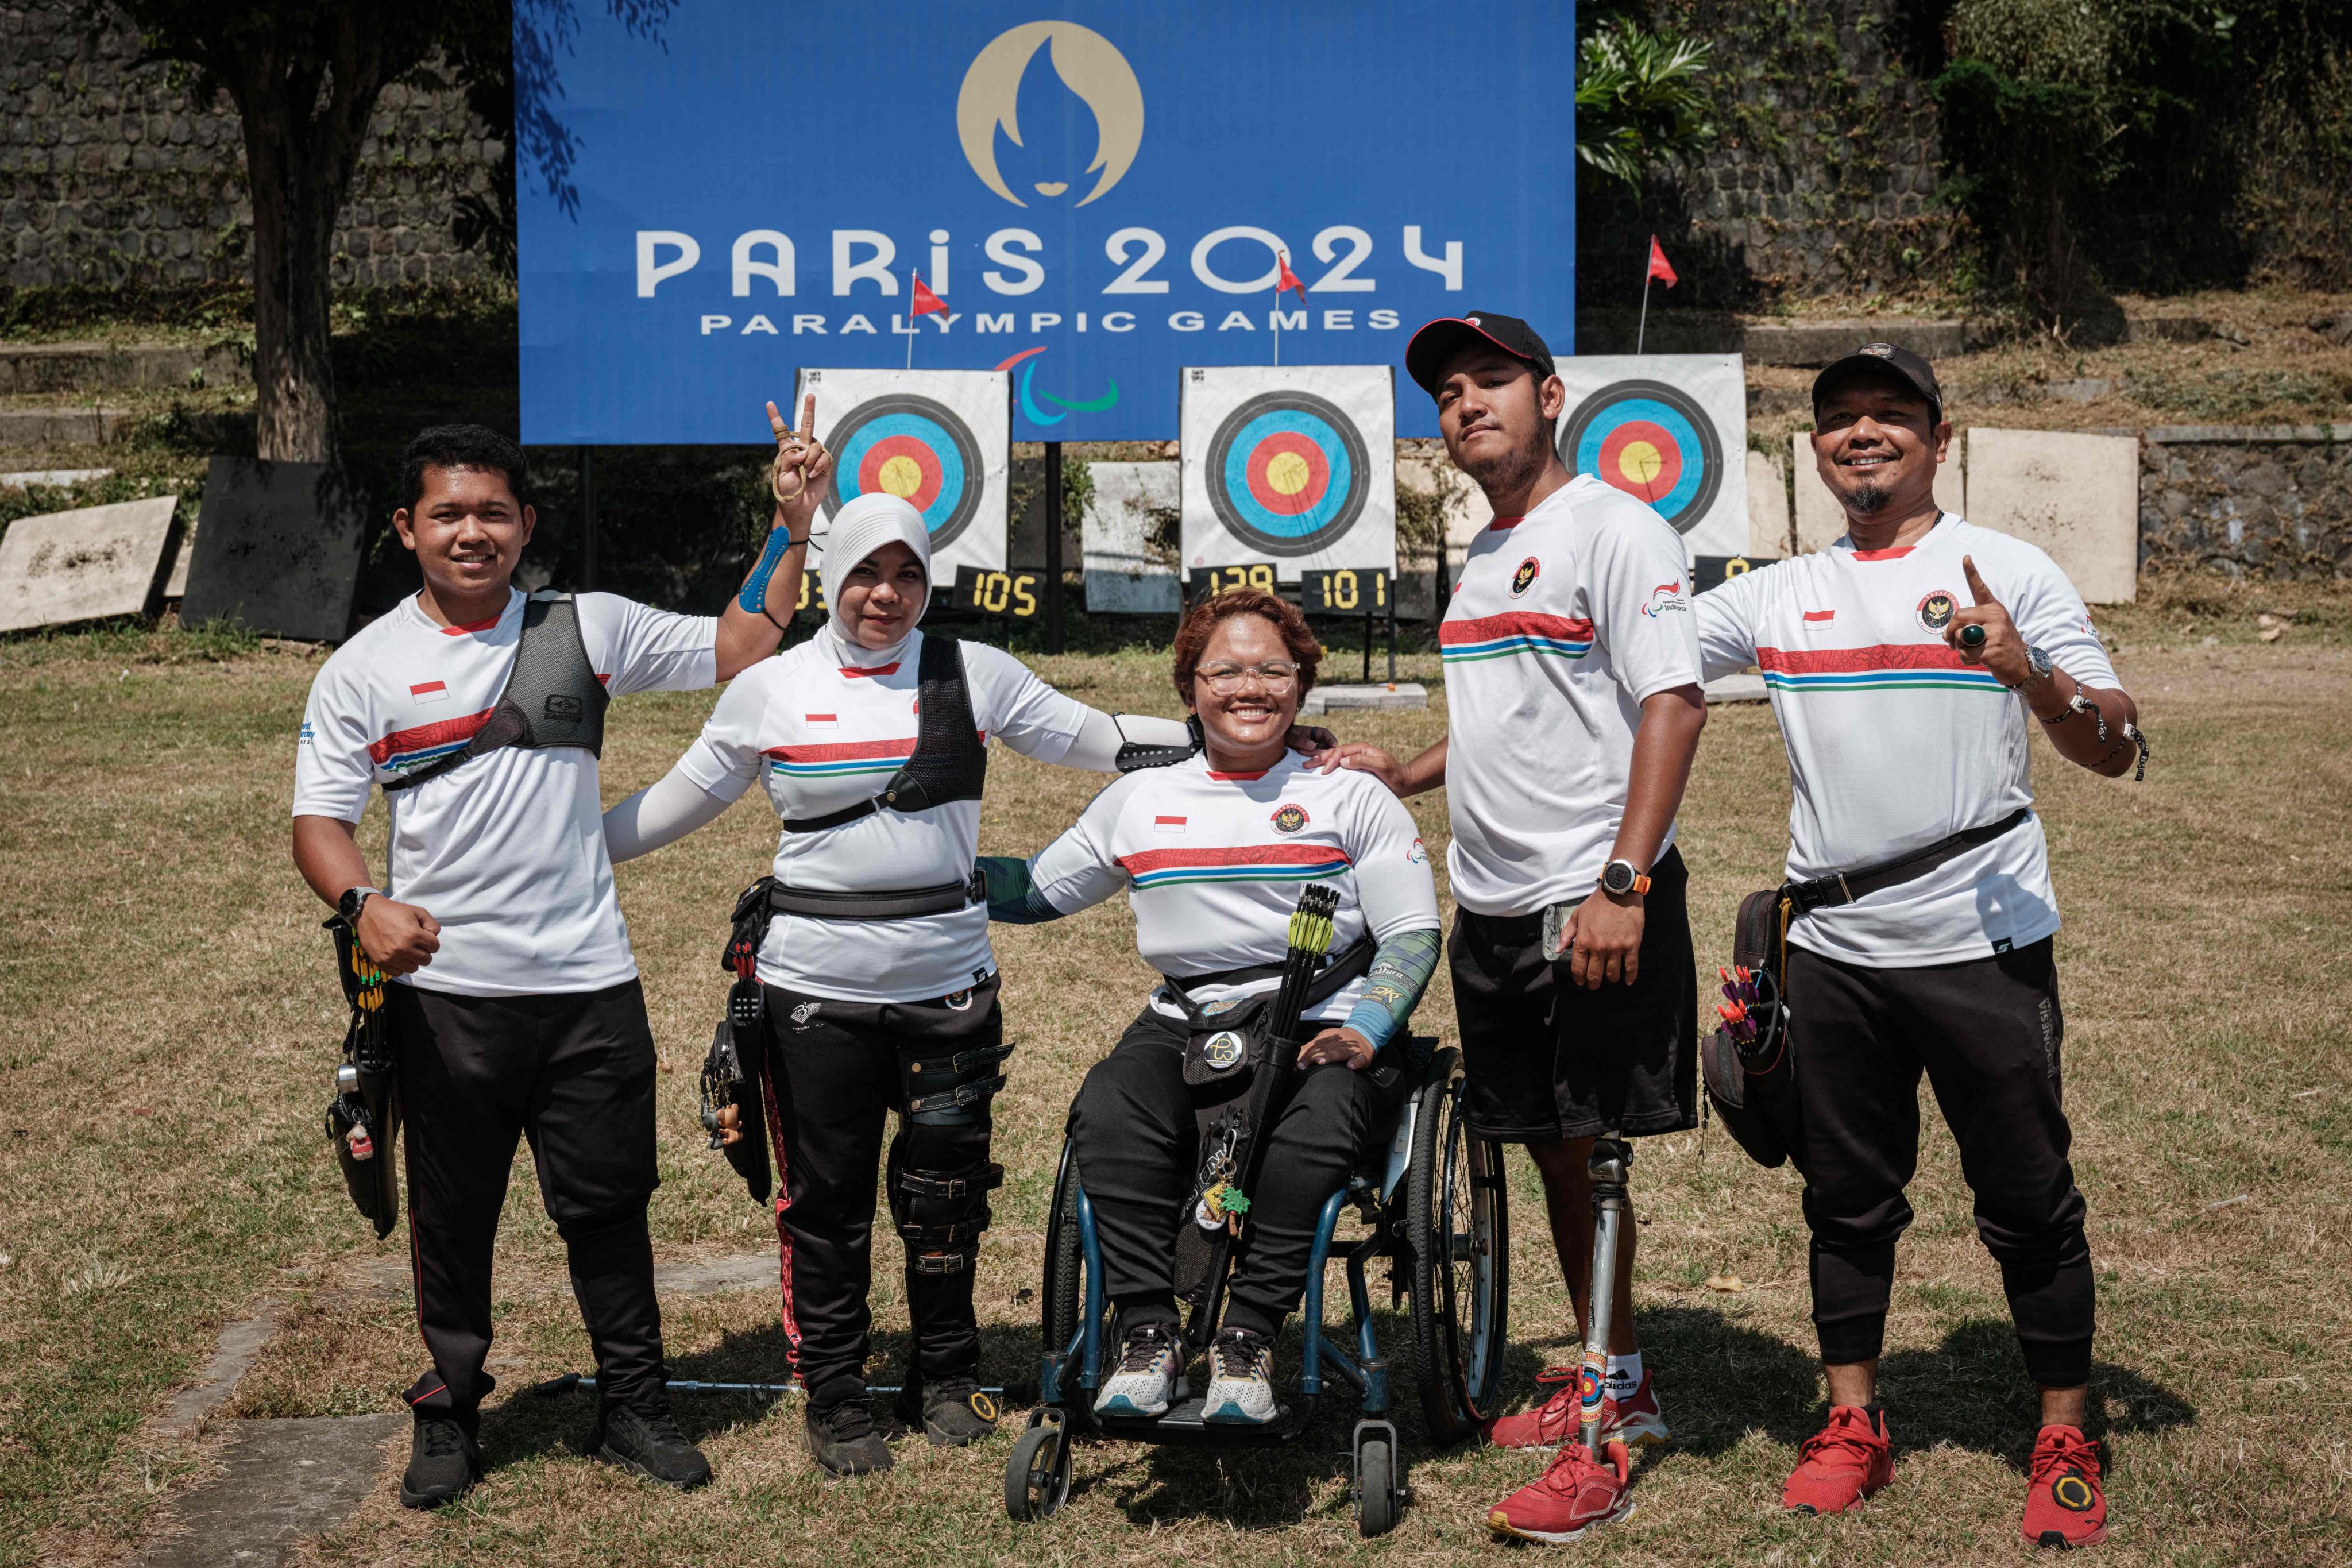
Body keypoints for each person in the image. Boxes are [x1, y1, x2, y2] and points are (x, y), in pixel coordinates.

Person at [600, 497, 1330, 1476]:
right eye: (865, 573)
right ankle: (837, 1387)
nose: (885, 595)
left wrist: (1268, 734)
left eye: (907, 575)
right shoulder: (771, 688)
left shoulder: (970, 673)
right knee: (829, 1198)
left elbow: (1106, 739)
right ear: (831, 577)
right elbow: (670, 806)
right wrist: (559, 851)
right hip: (812, 991)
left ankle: (944, 1374)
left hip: (950, 988)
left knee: (947, 1193)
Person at [291, 406, 827, 1508]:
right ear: (407, 526)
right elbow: (321, 822)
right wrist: (363, 905)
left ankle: (632, 1403)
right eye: (449, 513)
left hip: (590, 986)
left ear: (528, 521)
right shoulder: (362, 667)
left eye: (495, 511)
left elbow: (744, 641)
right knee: (454, 1213)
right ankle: (449, 1408)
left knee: (607, 1205)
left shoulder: (588, 626)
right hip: (446, 998)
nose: (473, 532)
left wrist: (791, 525)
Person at [1693, 343, 2145, 1548]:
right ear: (1817, 450)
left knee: (2027, 1198)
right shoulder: (1774, 594)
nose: (1862, 434)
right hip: (1830, 948)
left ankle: (2063, 1432)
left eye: (1890, 415)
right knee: (1845, 1201)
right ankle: (1852, 1426)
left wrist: (2028, 672)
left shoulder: (2008, 569)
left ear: (1936, 441)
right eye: (1839, 418)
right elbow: (1620, 673)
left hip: (1980, 941)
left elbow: (2115, 743)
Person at [1318, 311, 1708, 1544]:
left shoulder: (1613, 526)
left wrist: (1623, 883)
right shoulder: (1487, 550)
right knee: (1543, 1144)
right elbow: (1514, 709)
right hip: (1486, 905)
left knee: (1593, 1152)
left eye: (1490, 381)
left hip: (1584, 900)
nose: (1465, 403)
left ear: (1550, 395)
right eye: (1446, 391)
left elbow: (1672, 703)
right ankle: (1619, 1370)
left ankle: (1603, 1435)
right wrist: (1411, 768)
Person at [976, 588, 1442, 1424]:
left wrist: (1366, 1030)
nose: (1250, 688)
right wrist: (931, 875)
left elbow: (1412, 933)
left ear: (1301, 684)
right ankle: (1148, 1332)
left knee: (1325, 1118)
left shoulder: (1353, 795)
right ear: (1190, 686)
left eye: (1274, 669)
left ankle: (1249, 1338)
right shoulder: (1141, 801)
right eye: (1225, 670)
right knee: (1109, 1106)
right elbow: (1041, 890)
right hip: (1186, 1024)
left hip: (1321, 1020)